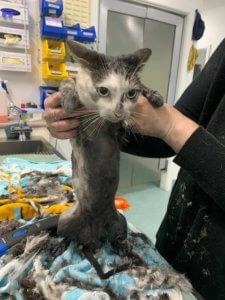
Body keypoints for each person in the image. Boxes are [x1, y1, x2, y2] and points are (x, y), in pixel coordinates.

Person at [44, 39, 225, 300]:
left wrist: (170, 125)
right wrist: (67, 117)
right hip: (177, 244)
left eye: (129, 94)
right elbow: (171, 122)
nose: (118, 111)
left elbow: (171, 123)